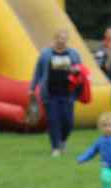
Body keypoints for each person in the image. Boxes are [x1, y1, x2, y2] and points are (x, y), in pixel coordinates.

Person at [30, 28, 82, 157]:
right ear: (54, 39)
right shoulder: (46, 54)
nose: (61, 41)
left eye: (64, 39)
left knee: (68, 122)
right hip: (50, 93)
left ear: (67, 40)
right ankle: (56, 147)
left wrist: (76, 72)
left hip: (68, 92)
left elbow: (81, 71)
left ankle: (62, 140)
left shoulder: (74, 54)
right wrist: (32, 88)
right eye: (59, 38)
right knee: (53, 120)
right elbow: (38, 72)